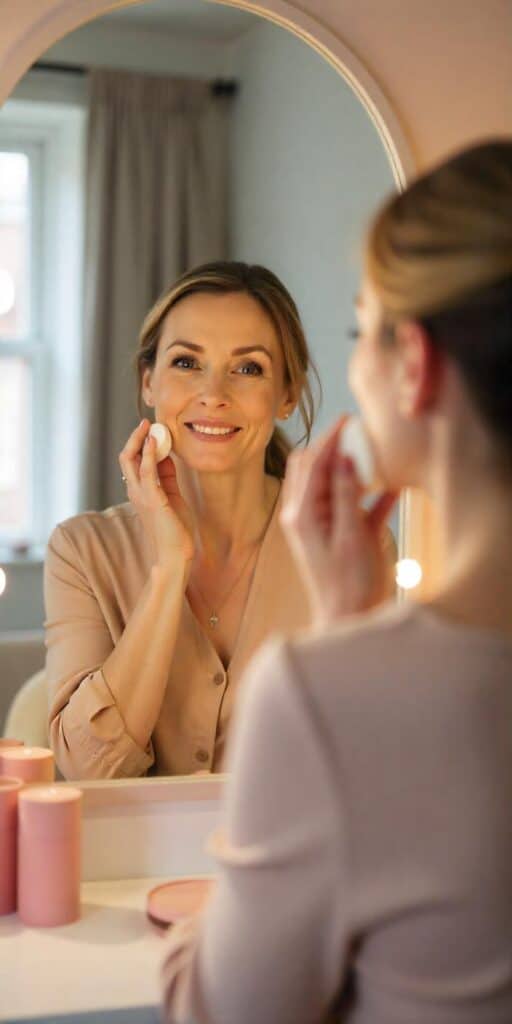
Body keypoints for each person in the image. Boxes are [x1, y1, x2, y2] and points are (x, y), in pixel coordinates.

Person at [161, 139, 512, 1023]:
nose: (214, 392)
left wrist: (342, 640)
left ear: (415, 365)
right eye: (186, 361)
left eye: (364, 331)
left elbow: (222, 1014)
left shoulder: (328, 692)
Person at [44, 261, 397, 780]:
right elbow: (86, 771)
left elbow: (371, 758)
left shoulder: (348, 545)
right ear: (149, 381)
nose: (214, 393)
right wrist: (169, 566)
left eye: (248, 368)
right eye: (187, 362)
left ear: (287, 393)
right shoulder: (81, 552)